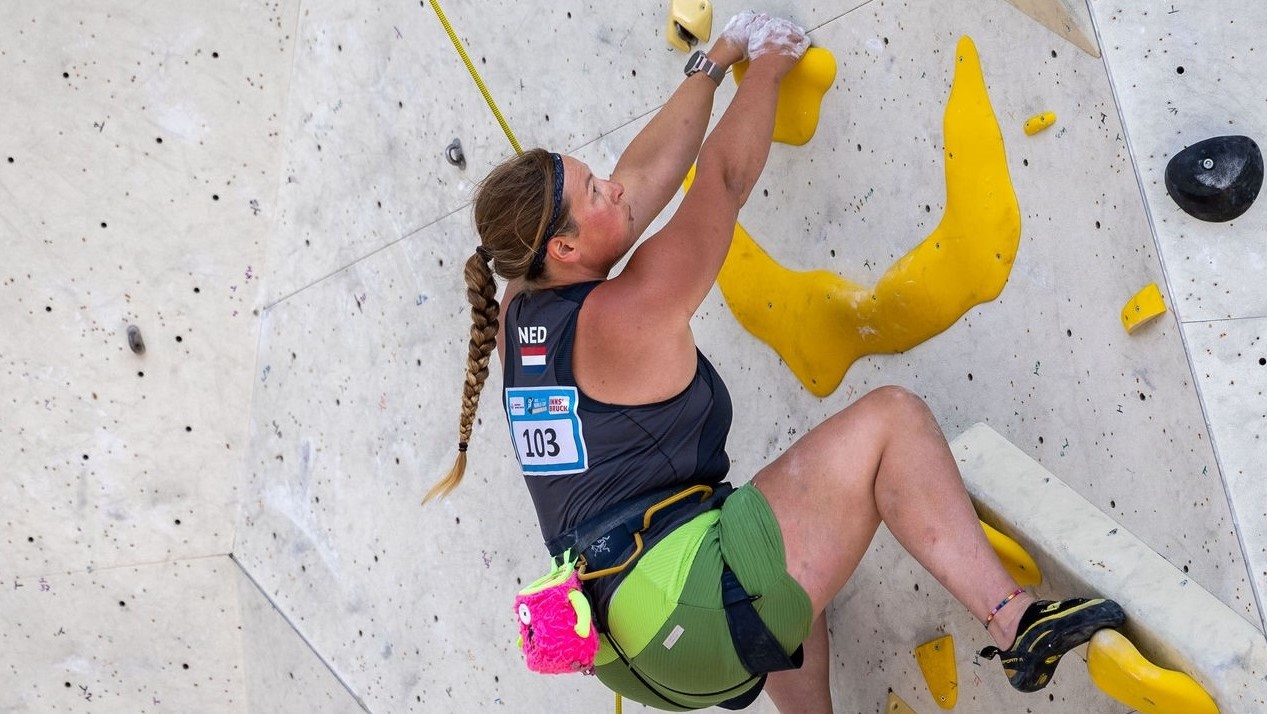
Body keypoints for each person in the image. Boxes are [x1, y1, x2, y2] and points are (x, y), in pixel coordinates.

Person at [427, 11, 1126, 712]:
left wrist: (714, 58)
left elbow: (641, 179)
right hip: (687, 612)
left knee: (777, 527)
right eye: (594, 191)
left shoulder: (522, 298)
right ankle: (1014, 622)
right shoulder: (622, 317)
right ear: (566, 250)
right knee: (892, 419)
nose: (613, 187)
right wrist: (766, 66)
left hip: (629, 641)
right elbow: (721, 181)